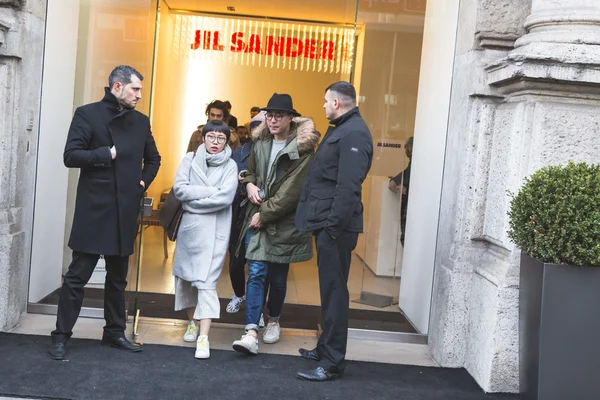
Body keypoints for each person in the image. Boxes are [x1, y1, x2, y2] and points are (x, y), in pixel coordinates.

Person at [48, 65, 161, 360]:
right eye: (135, 89)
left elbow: (154, 159)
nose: (139, 95)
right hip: (94, 209)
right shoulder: (88, 114)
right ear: (117, 87)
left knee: (118, 279)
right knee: (77, 278)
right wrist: (105, 154)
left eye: (140, 90)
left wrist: (140, 184)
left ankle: (113, 333)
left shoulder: (141, 121)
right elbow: (70, 156)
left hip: (124, 211)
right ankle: (60, 336)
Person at [295, 81, 373, 381]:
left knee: (335, 293)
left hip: (336, 227)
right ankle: (324, 347)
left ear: (338, 103)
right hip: (329, 223)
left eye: (326, 101)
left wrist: (332, 227)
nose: (324, 105)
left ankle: (332, 362)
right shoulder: (343, 128)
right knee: (329, 291)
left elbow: (348, 186)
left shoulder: (353, 132)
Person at [231, 93, 319, 355]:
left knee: (278, 277)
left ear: (291, 118)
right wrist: (247, 183)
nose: (272, 120)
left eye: (278, 115)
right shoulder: (260, 142)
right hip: (256, 216)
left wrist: (264, 214)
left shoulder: (302, 149)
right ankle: (250, 331)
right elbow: (253, 171)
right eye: (269, 115)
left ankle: (275, 320)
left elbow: (291, 193)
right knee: (256, 272)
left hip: (283, 222)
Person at [172, 120, 238, 359]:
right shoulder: (189, 159)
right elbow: (180, 189)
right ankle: (192, 322)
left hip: (215, 232)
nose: (215, 143)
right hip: (190, 232)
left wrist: (194, 200)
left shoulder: (231, 165)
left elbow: (225, 198)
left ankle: (204, 337)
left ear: (227, 141)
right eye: (211, 137)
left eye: (221, 138)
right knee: (187, 281)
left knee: (207, 284)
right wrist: (211, 192)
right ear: (203, 138)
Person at [226, 112, 265, 319]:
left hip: (262, 212)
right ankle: (239, 294)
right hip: (238, 212)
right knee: (236, 261)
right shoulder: (238, 153)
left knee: (258, 266)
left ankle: (255, 308)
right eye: (255, 126)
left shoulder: (272, 152)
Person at [388, 136, 413, 245]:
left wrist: (406, 191)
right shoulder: (413, 162)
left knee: (407, 238)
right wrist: (395, 180)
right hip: (407, 206)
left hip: (410, 207)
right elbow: (406, 173)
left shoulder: (420, 164)